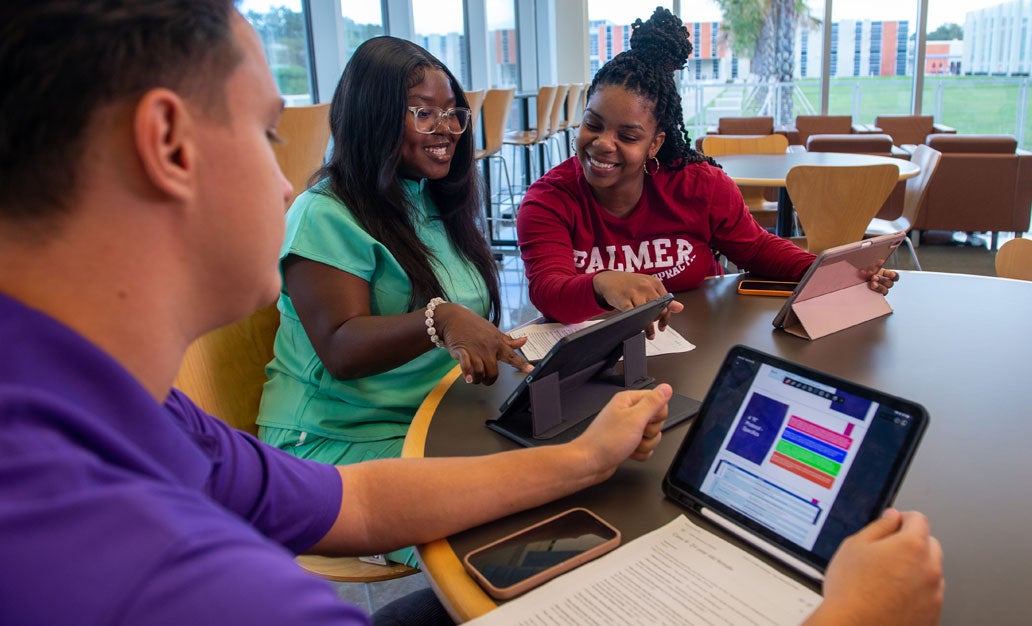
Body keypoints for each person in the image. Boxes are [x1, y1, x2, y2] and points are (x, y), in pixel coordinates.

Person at [0, 2, 941, 625]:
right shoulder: (178, 584)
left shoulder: (143, 423)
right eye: (261, 130)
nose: (285, 168)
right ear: (167, 145)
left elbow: (358, 499)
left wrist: (578, 456)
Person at [516, 7, 899, 325]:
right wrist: (601, 283)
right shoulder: (550, 199)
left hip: (699, 345)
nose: (602, 143)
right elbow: (549, 292)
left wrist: (837, 271)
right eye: (592, 124)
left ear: (655, 144)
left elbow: (758, 249)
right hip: (595, 362)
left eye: (628, 136)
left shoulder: (699, 187)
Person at [256, 37, 532, 477]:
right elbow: (340, 349)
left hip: (429, 420)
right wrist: (440, 317)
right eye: (424, 113)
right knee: (501, 502)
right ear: (373, 117)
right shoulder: (323, 214)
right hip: (334, 441)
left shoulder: (431, 198)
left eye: (452, 114)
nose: (446, 129)